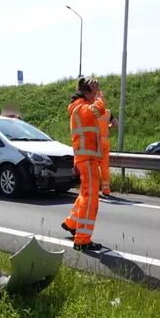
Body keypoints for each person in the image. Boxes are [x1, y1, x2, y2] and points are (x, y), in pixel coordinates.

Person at [60, 77, 107, 251]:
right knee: (91, 198)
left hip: (87, 158)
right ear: (87, 92)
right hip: (87, 159)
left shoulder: (80, 108)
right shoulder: (82, 109)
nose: (96, 95)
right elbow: (99, 109)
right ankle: (82, 240)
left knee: (85, 194)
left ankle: (72, 223)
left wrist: (95, 91)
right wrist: (99, 94)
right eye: (93, 92)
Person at [96, 108, 118, 196]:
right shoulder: (107, 112)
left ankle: (94, 189)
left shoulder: (91, 111)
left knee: (93, 166)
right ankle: (106, 189)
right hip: (105, 142)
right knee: (104, 167)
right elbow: (116, 124)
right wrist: (107, 126)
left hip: (95, 142)